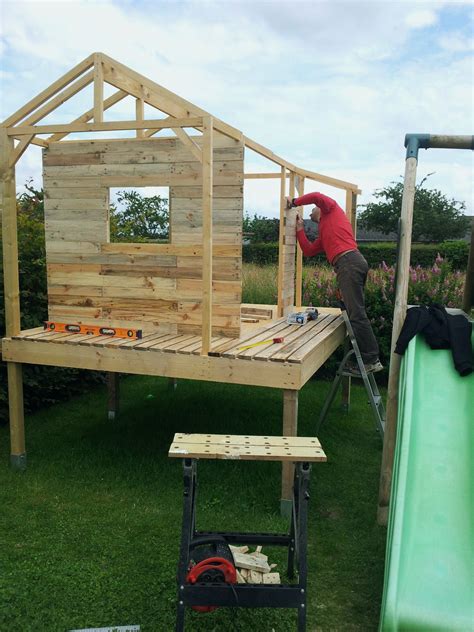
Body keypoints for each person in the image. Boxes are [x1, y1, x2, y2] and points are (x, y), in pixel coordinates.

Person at [285, 192, 383, 375]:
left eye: (312, 209)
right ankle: (368, 357)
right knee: (351, 309)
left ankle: (371, 359)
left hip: (349, 263)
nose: (310, 212)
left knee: (356, 314)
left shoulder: (331, 209)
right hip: (348, 265)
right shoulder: (324, 230)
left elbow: (316, 196)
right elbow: (308, 250)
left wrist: (295, 202)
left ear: (320, 210)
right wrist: (299, 229)